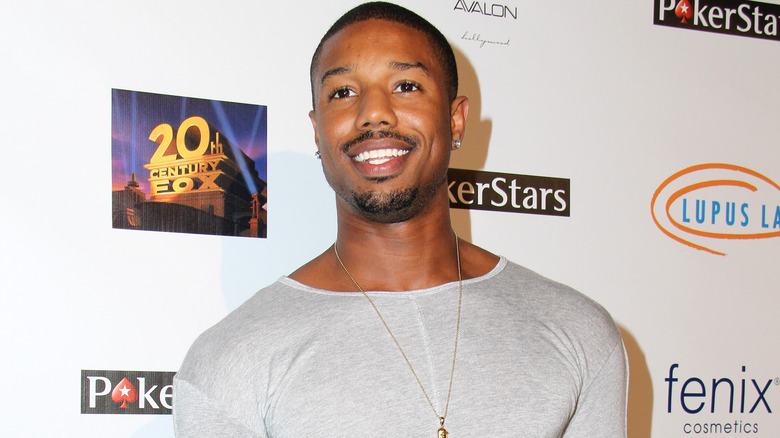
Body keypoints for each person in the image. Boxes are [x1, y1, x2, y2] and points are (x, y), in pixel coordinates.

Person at [173, 2, 628, 437]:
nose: (373, 113)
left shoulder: (576, 330)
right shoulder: (229, 362)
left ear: (456, 120)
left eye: (406, 86)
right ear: (318, 130)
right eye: (343, 92)